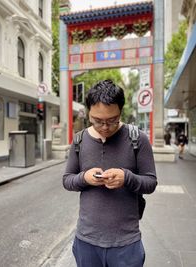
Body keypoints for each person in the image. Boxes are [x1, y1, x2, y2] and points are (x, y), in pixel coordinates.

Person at [62, 79, 157, 267]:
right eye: (98, 121)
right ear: (89, 112)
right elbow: (67, 180)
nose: (105, 127)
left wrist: (126, 178)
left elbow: (151, 182)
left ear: (120, 111)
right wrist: (85, 178)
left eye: (112, 120)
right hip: (86, 241)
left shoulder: (137, 139)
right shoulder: (80, 141)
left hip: (126, 243)